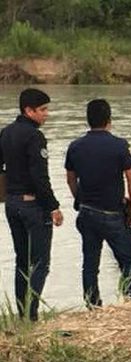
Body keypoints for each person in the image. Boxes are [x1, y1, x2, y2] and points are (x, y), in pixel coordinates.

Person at [65, 99, 131, 308]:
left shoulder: (75, 146)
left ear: (88, 120)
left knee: (90, 264)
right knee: (127, 262)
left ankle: (93, 305)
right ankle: (130, 302)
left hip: (87, 212)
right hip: (113, 212)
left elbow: (70, 179)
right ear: (109, 119)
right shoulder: (119, 145)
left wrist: (80, 199)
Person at [0, 88, 63, 321]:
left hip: (12, 204)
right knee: (40, 263)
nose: (47, 114)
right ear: (29, 110)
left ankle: (22, 313)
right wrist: (54, 206)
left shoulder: (5, 133)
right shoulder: (34, 136)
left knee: (21, 261)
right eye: (43, 110)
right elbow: (40, 177)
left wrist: (8, 193)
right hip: (32, 206)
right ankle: (32, 314)